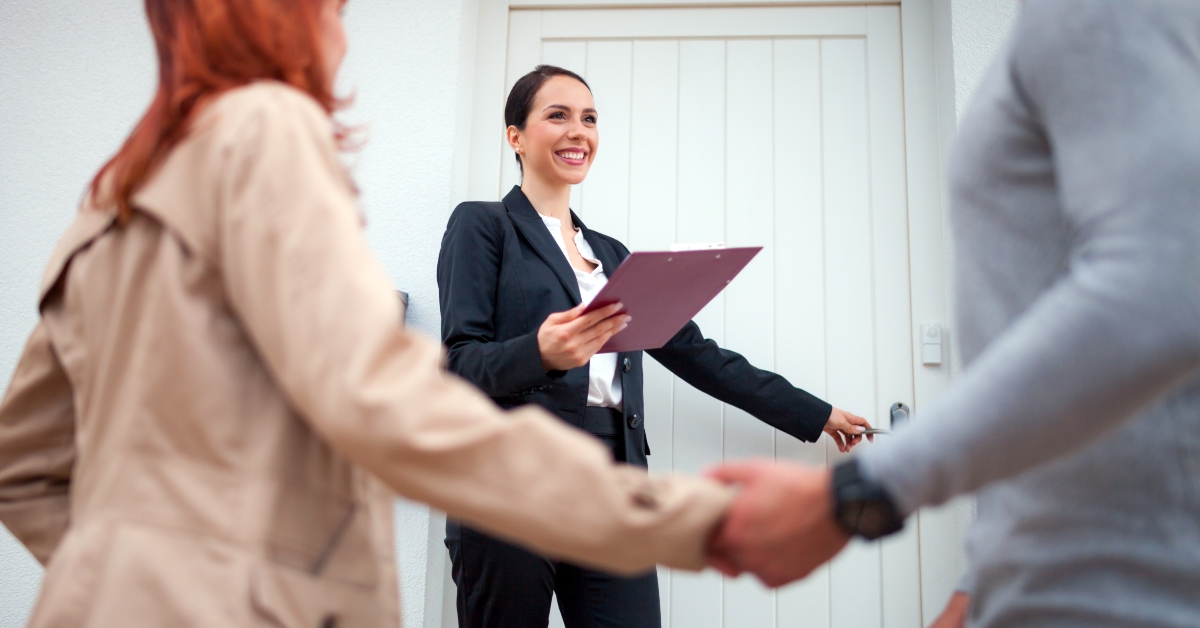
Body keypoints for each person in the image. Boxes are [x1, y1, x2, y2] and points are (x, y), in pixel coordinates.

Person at [0, 2, 737, 625]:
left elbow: (21, 468)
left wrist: (124, 575)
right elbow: (404, 407)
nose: (342, 35)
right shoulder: (268, 133)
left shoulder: (114, 195)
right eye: (333, 11)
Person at [706, 1, 1200, 626]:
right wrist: (979, 588)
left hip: (1131, 585)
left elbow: (1166, 287)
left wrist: (858, 493)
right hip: (1043, 579)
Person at [436, 64, 872, 628]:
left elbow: (699, 356)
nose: (579, 131)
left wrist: (817, 413)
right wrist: (539, 353)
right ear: (515, 136)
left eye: (589, 119)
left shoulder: (614, 256)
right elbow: (459, 363)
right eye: (558, 116)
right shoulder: (482, 225)